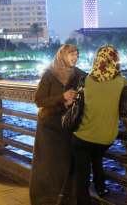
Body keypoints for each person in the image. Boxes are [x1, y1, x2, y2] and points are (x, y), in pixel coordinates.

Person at [72, 45, 127, 204]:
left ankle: (85, 198)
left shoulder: (88, 79)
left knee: (82, 177)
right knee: (96, 154)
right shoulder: (119, 81)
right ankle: (101, 186)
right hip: (106, 138)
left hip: (82, 137)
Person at [30, 44, 86, 205]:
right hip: (48, 127)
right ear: (62, 56)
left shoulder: (78, 75)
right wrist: (62, 97)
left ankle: (63, 199)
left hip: (67, 126)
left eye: (76, 54)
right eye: (71, 54)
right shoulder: (50, 74)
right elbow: (39, 100)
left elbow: (95, 80)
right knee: (46, 166)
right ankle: (43, 199)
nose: (75, 57)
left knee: (64, 165)